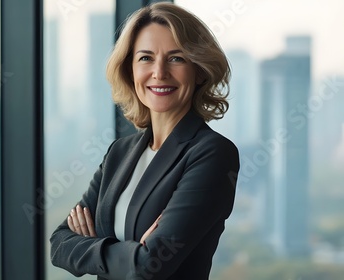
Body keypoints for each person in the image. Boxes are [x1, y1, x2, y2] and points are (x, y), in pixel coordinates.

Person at [50, 2, 240, 279]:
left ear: (198, 70)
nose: (159, 72)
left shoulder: (213, 154)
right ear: (130, 70)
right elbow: (58, 244)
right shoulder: (120, 152)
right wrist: (130, 252)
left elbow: (151, 266)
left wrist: (91, 248)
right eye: (145, 58)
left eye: (176, 58)